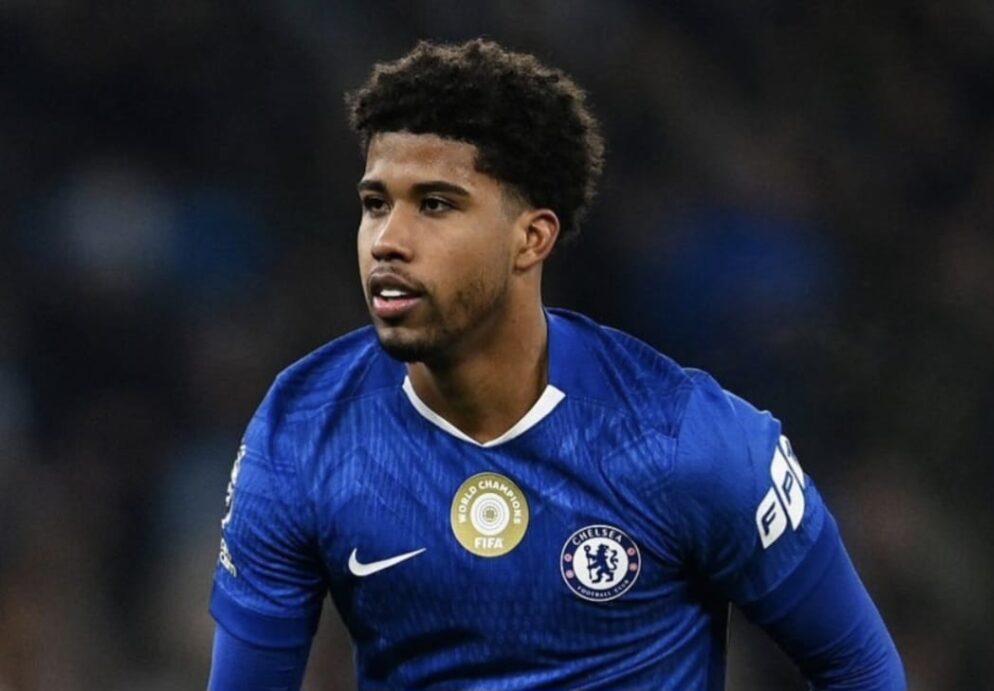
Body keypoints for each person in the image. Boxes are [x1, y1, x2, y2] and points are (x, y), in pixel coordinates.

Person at [207, 39, 905, 690]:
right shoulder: (302, 430)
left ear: (531, 238)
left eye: (436, 205)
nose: (388, 240)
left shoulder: (686, 441)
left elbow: (860, 666)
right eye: (375, 204)